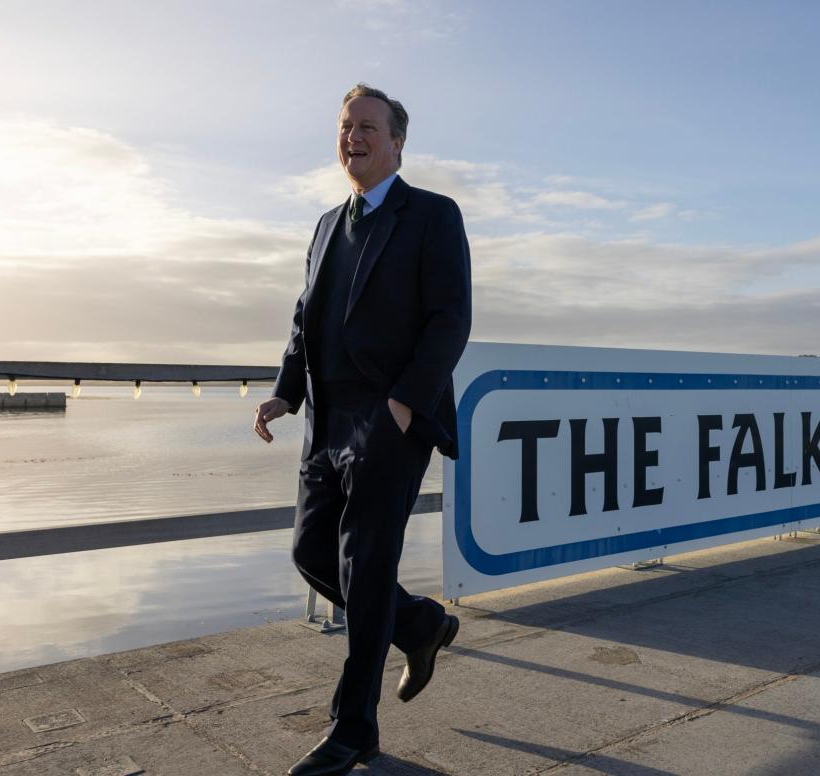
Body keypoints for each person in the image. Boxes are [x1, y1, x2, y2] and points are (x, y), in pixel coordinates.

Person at [254, 83, 471, 776]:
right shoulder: (325, 225)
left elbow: (450, 317)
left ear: (397, 141)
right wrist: (286, 393)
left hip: (388, 420)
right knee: (312, 554)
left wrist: (405, 404)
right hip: (326, 420)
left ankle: (353, 730)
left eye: (368, 126)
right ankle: (418, 624)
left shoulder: (432, 215)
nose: (354, 135)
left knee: (366, 566)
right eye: (346, 126)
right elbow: (304, 317)